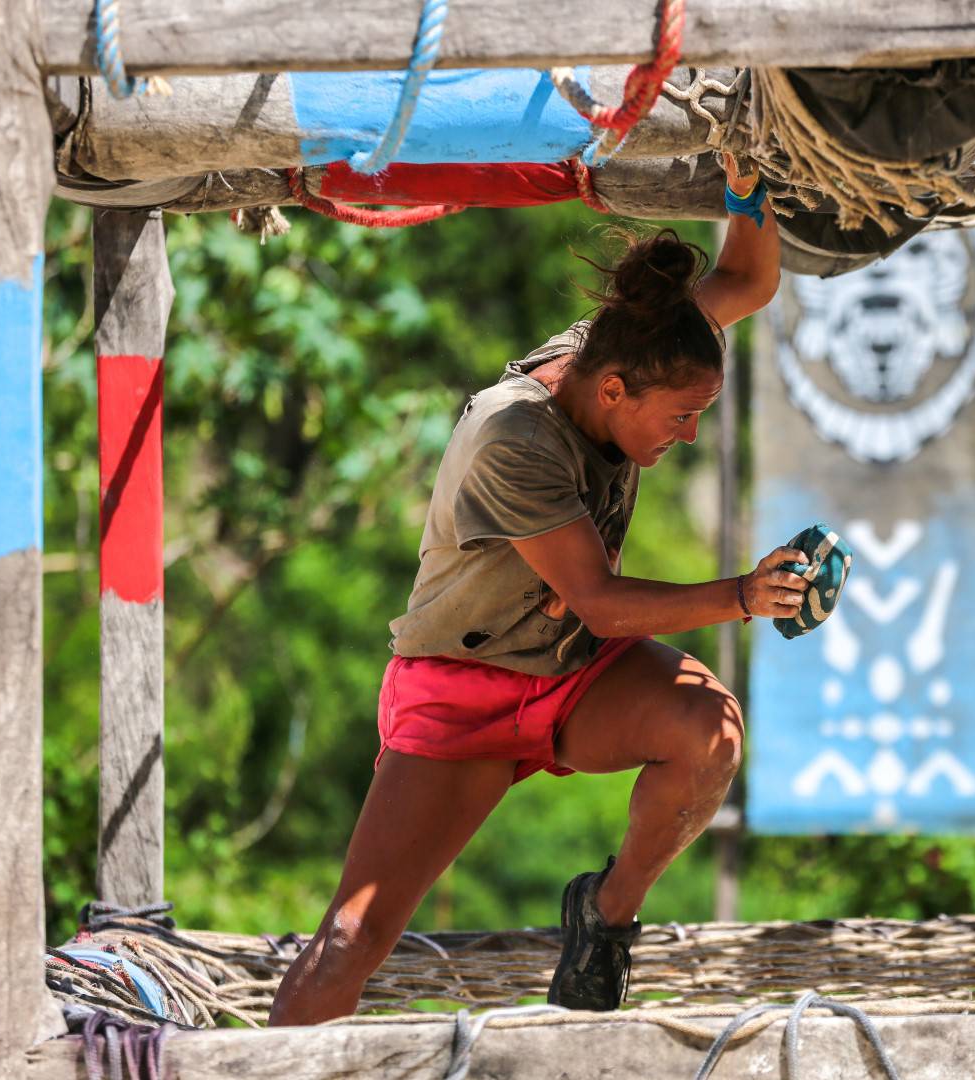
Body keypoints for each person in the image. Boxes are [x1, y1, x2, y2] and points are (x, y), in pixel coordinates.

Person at [269, 154, 808, 1023]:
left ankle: (604, 917)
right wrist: (743, 595)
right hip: (463, 695)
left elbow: (745, 277)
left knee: (710, 733)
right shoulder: (511, 435)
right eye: (680, 417)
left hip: (571, 675)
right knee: (350, 942)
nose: (691, 434)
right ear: (612, 391)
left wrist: (749, 181)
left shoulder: (642, 344)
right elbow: (598, 599)